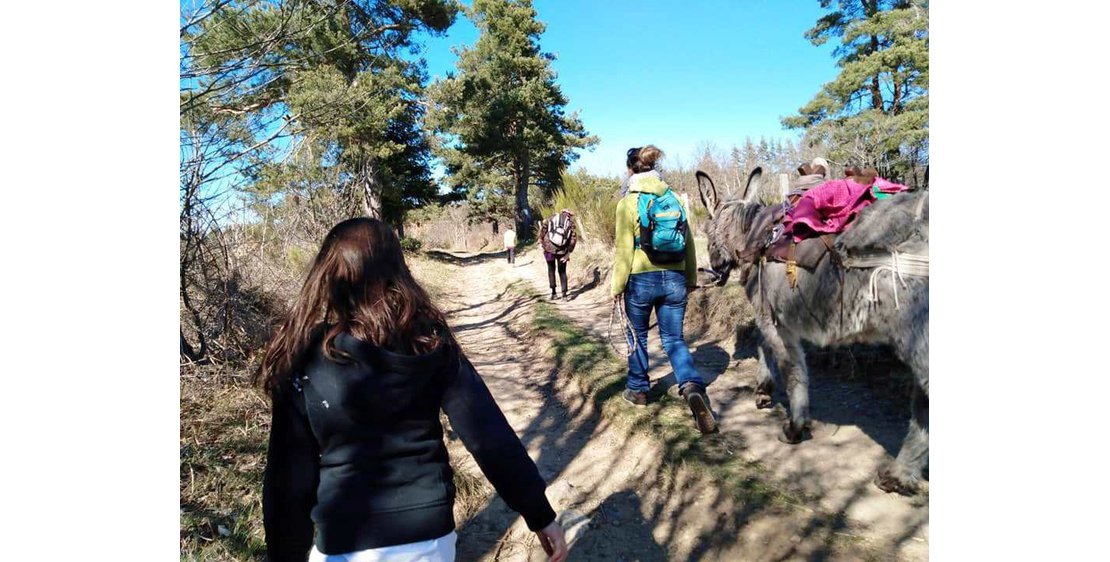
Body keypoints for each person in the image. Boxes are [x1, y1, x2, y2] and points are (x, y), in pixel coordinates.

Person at [257, 217, 568, 562]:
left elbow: (288, 478)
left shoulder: (306, 354)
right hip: (429, 541)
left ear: (328, 276)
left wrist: (283, 555)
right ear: (397, 270)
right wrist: (539, 514)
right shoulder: (428, 340)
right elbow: (487, 434)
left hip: (344, 540)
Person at [611, 146, 718, 435]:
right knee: (673, 338)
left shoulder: (628, 203)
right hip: (674, 277)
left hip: (641, 279)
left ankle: (638, 390)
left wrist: (616, 286)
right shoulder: (671, 198)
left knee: (637, 336)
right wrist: (691, 277)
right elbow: (690, 242)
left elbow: (623, 251)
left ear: (630, 170)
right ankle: (692, 387)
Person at [538, 209, 577, 301]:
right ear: (569, 215)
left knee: (551, 270)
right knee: (562, 272)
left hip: (548, 250)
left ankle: (554, 293)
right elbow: (573, 239)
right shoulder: (571, 224)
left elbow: (543, 230)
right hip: (562, 251)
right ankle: (564, 295)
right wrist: (568, 253)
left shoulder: (551, 218)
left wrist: (540, 242)